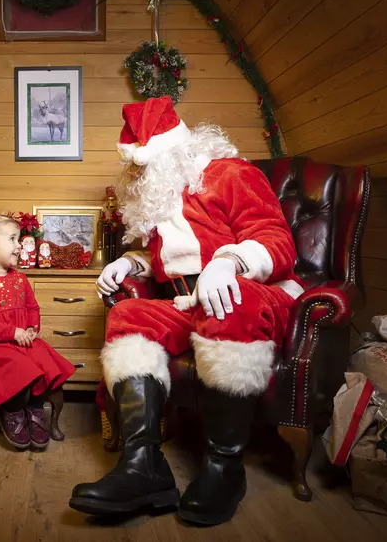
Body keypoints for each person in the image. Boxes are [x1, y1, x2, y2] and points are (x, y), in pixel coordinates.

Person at [69, 97, 303, 525]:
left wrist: (229, 263)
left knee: (231, 304)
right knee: (128, 316)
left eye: (145, 167)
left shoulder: (231, 174)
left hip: (252, 292)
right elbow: (169, 261)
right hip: (184, 301)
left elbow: (277, 240)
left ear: (174, 153)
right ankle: (144, 466)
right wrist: (132, 262)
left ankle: (224, 468)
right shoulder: (159, 200)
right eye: (135, 169)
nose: (138, 177)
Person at [0, 215, 75, 450]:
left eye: (19, 239)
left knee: (44, 361)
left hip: (20, 339)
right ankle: (12, 412)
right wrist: (12, 332)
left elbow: (32, 307)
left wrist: (33, 328)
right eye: (13, 239)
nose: (20, 245)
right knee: (18, 367)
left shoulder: (20, 279)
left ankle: (35, 409)